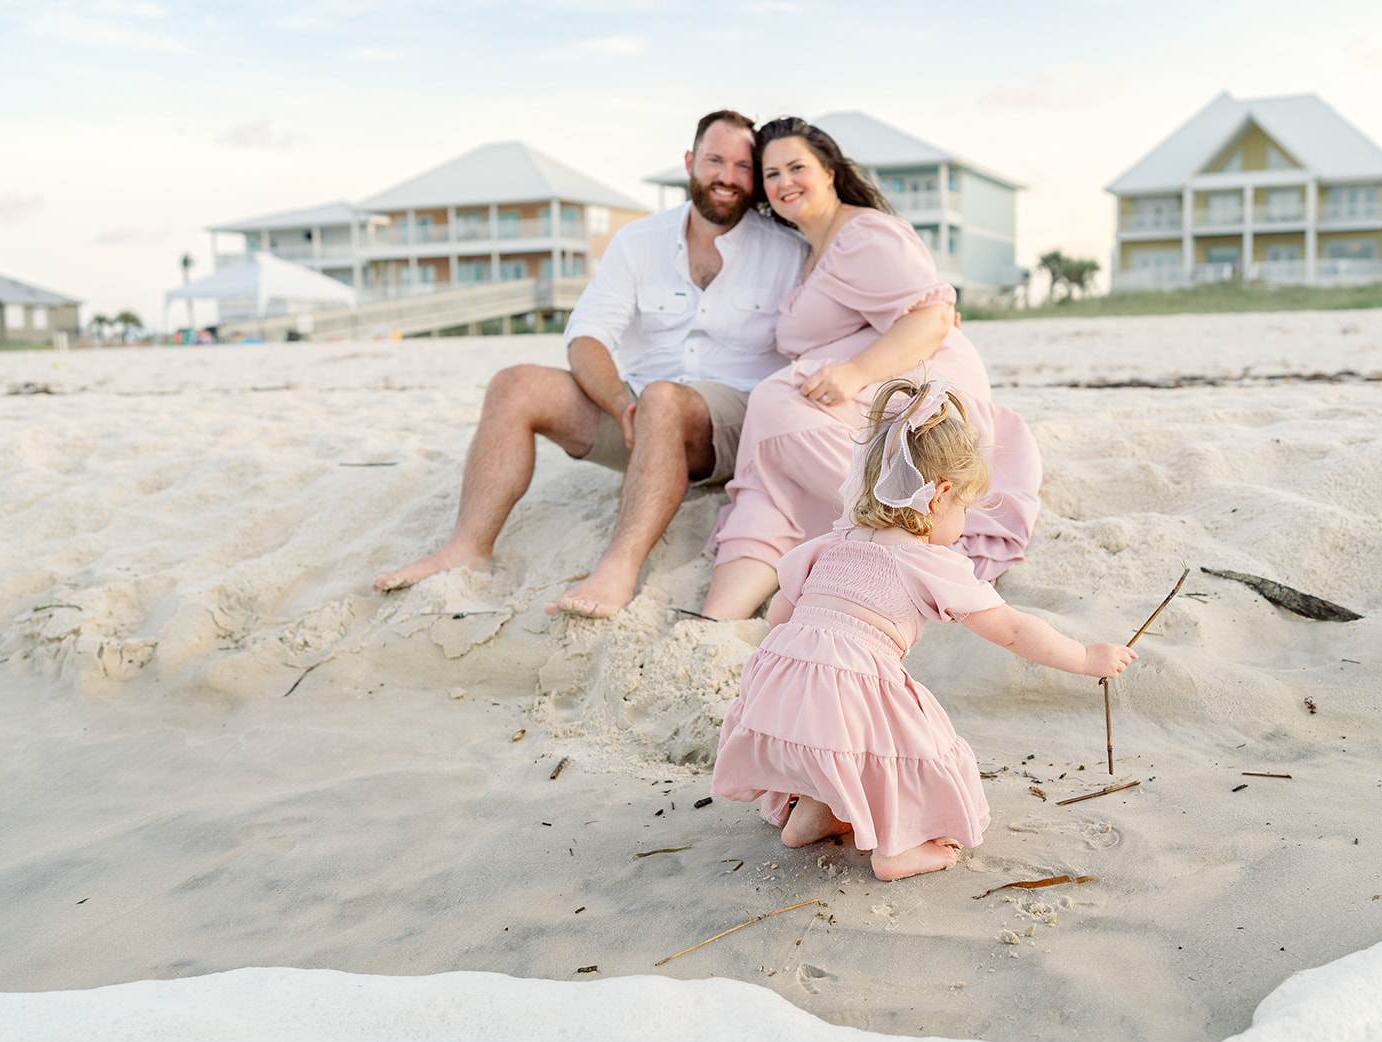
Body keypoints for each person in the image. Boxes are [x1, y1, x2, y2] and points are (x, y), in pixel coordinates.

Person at [373, 110, 807, 618]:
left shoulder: (789, 250)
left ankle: (617, 570)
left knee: (663, 399)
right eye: (715, 161)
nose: (727, 177)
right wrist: (620, 405)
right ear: (690, 162)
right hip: (639, 416)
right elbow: (586, 336)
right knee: (515, 384)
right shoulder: (638, 241)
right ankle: (466, 549)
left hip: (731, 428)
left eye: (743, 166)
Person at [710, 379, 1137, 881]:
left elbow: (779, 618)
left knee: (841, 733)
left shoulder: (832, 544)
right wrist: (1085, 658)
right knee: (913, 743)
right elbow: (1012, 630)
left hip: (775, 690)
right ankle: (898, 849)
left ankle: (810, 818)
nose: (963, 522)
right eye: (965, 509)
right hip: (845, 686)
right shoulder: (928, 562)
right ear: (940, 496)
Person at [700, 116, 1042, 621]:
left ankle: (919, 522)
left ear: (830, 172)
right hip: (859, 392)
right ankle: (718, 620)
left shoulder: (866, 234)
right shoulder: (809, 250)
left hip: (915, 382)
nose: (784, 182)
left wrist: (854, 372)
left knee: (774, 409)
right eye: (771, 174)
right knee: (770, 470)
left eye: (797, 167)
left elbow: (932, 318)